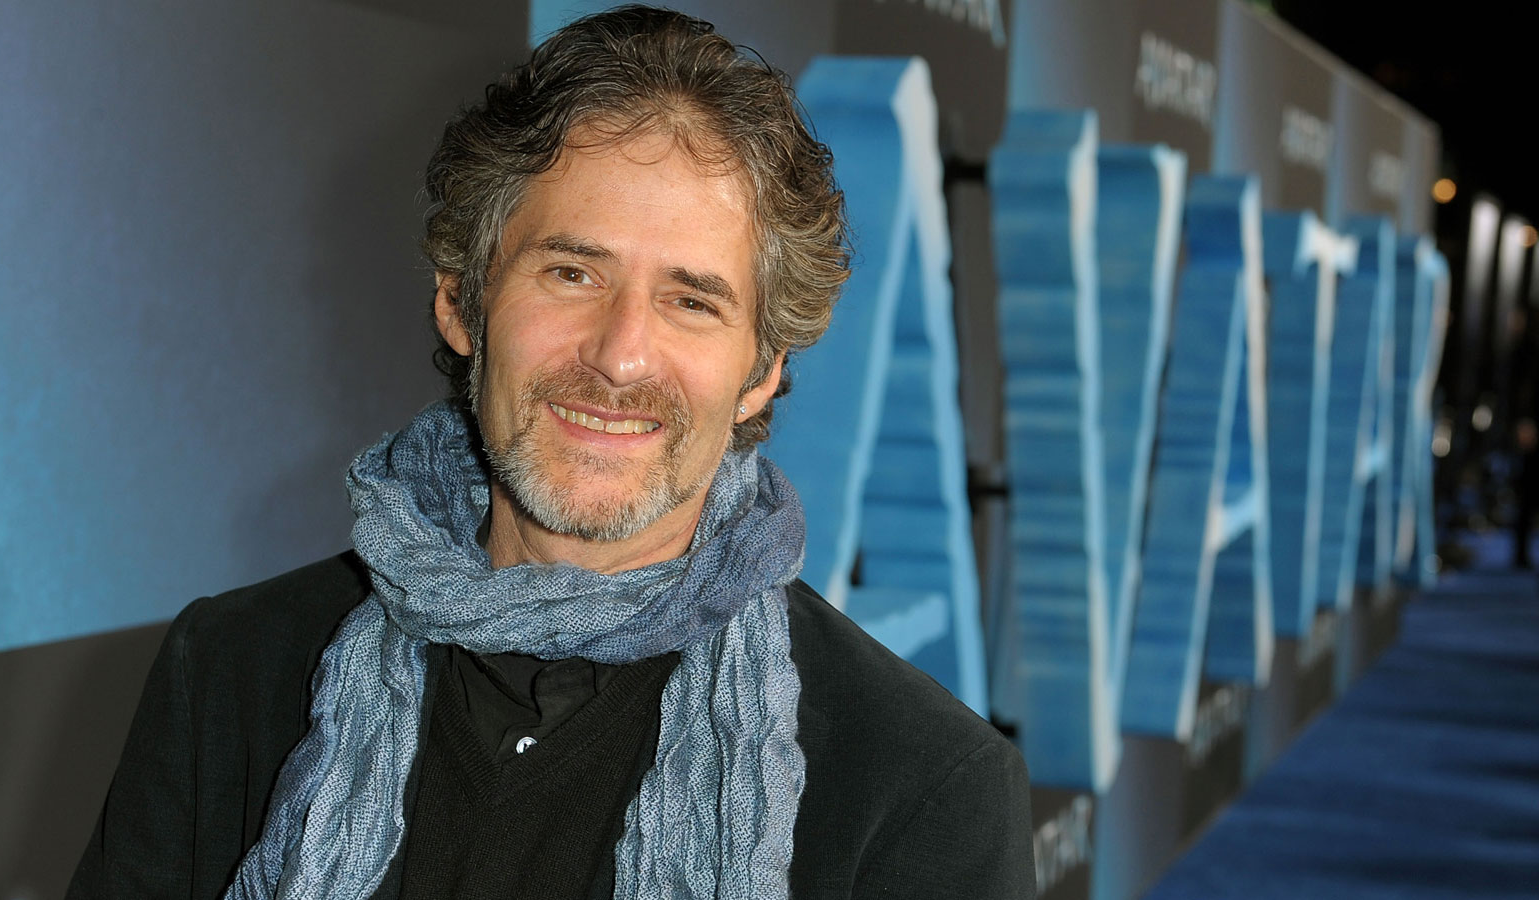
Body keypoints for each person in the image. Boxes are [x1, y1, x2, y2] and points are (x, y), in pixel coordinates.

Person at [66, 7, 1033, 899]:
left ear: (762, 372)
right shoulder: (230, 675)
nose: (620, 355)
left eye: (691, 301)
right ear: (462, 302)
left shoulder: (919, 789)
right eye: (572, 272)